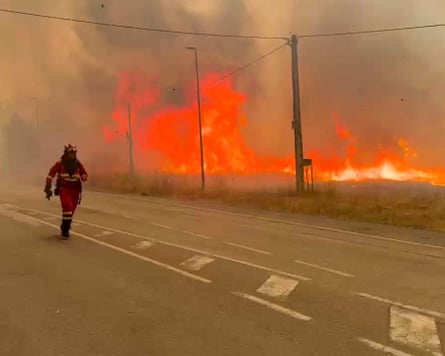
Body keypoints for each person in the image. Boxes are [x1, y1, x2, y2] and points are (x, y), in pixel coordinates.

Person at [44, 144, 88, 239]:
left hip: (75, 190)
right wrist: (48, 186)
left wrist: (84, 176)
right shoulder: (60, 164)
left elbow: (84, 173)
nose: (72, 155)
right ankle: (65, 229)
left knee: (71, 211)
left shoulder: (78, 164)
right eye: (70, 153)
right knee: (67, 207)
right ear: (66, 154)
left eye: (73, 153)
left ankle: (65, 226)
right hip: (64, 189)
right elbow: (51, 174)